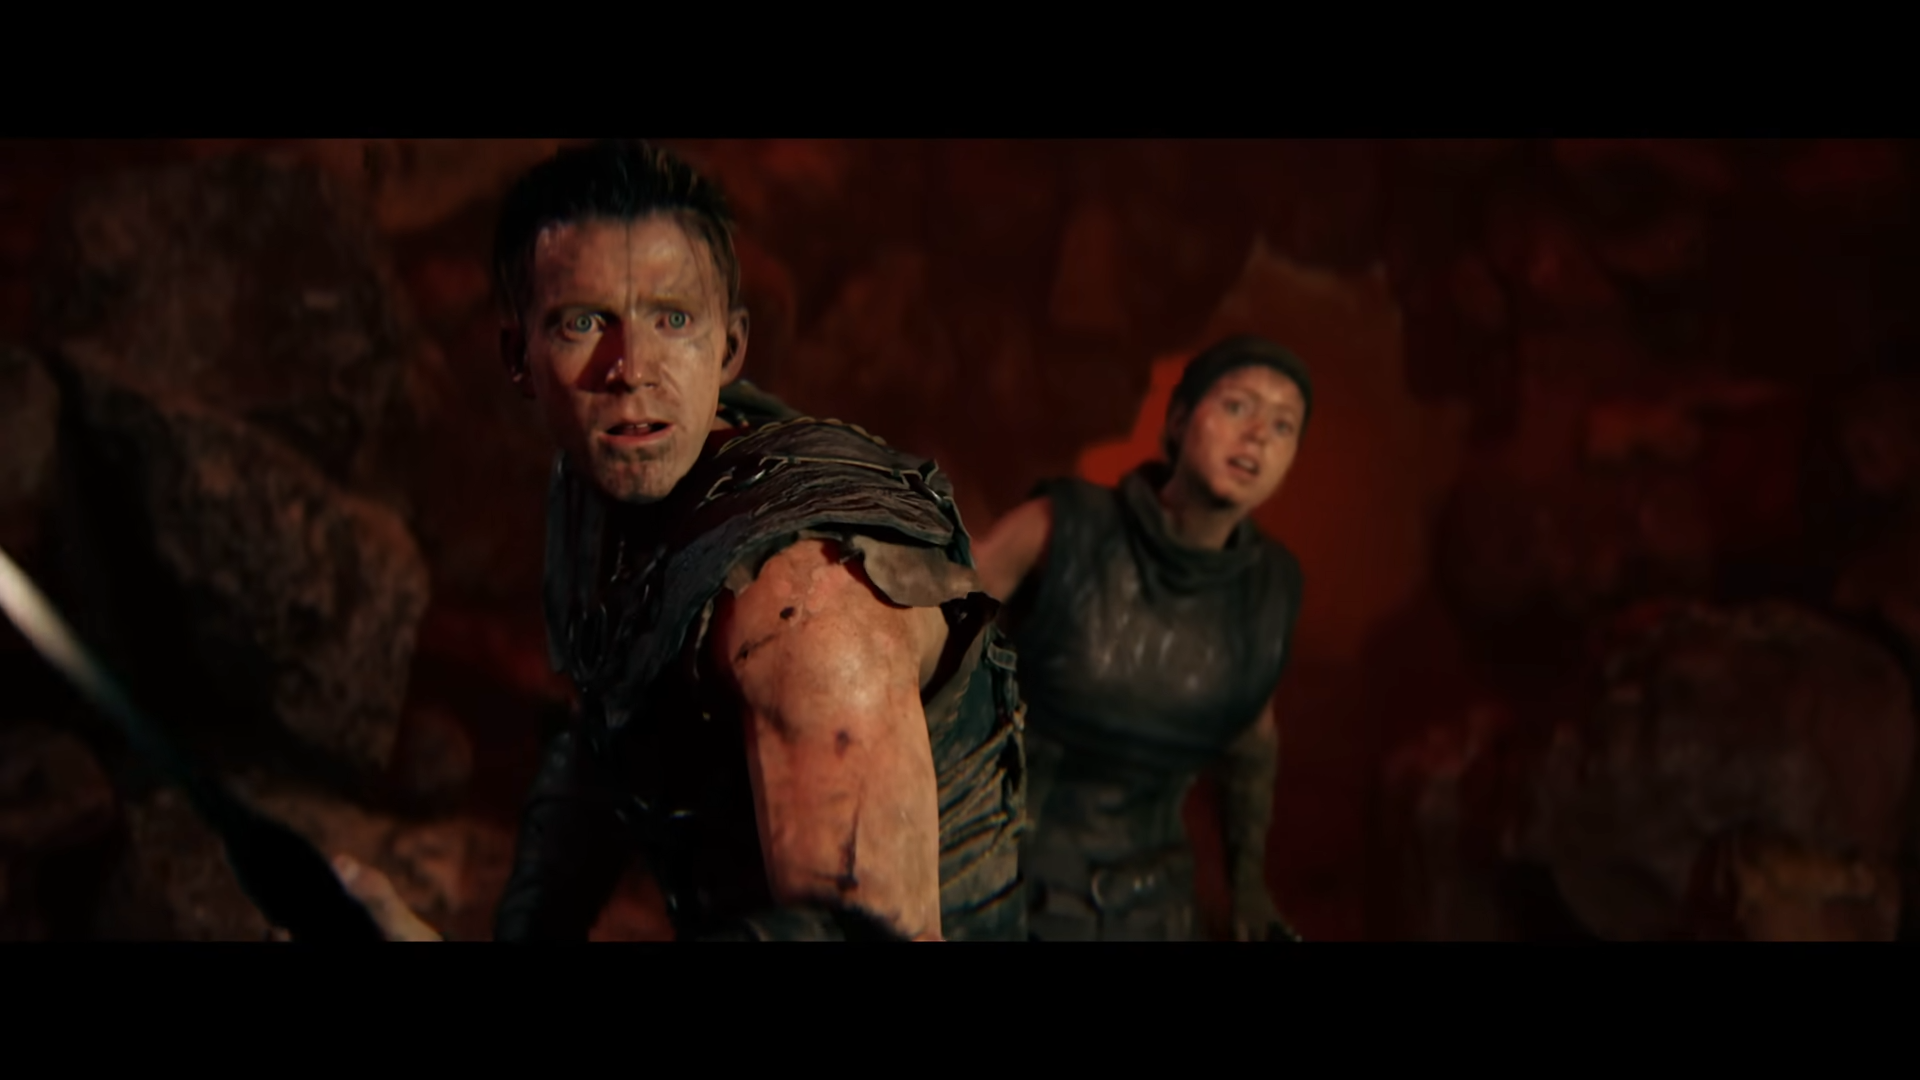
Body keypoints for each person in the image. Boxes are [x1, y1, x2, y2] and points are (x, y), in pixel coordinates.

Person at [321, 139, 1027, 942]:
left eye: (673, 319)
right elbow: (607, 737)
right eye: (584, 322)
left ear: (728, 348)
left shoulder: (808, 609)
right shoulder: (603, 490)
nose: (631, 368)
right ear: (520, 357)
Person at [971, 336, 1310, 942]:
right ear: (1178, 422)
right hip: (1006, 887)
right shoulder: (1062, 526)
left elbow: (1251, 744)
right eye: (1237, 406)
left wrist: (1247, 885)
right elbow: (931, 644)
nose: (1259, 434)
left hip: (1153, 908)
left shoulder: (1270, 590)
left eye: (1283, 425)